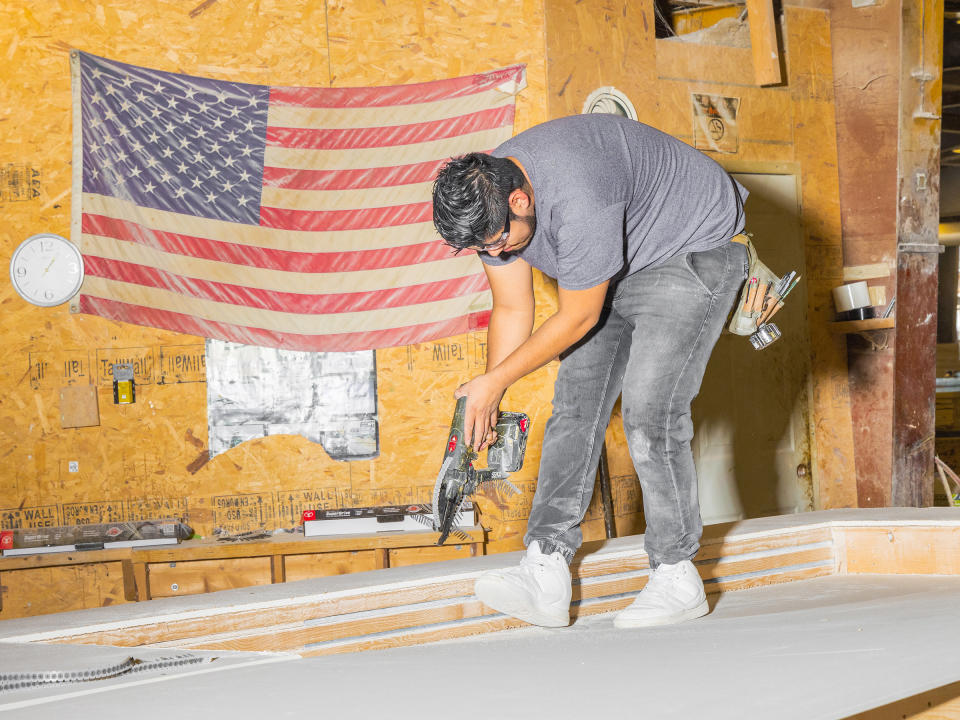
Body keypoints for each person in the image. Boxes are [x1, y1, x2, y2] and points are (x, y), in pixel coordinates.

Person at [430, 113, 749, 629]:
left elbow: (578, 314)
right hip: (616, 258)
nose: (495, 254)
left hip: (688, 247)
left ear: (520, 200)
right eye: (484, 250)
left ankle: (676, 572)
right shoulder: (490, 198)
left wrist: (494, 382)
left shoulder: (579, 190)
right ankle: (546, 571)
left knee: (650, 409)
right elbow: (513, 308)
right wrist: (491, 391)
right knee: (575, 406)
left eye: (498, 243)